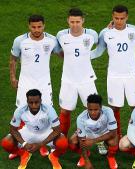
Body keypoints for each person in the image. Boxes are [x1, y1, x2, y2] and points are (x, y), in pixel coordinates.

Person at [91, 5, 135, 141]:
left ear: (127, 17)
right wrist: (80, 55)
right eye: (116, 18)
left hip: (132, 75)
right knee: (114, 108)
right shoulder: (105, 33)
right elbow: (98, 52)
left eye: (122, 18)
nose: (119, 21)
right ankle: (116, 136)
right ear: (112, 17)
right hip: (114, 76)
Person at [9, 14, 60, 159]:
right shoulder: (20, 40)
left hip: (44, 83)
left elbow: (63, 54)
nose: (36, 29)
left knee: (46, 112)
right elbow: (13, 59)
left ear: (44, 25)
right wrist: (13, 77)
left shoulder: (52, 40)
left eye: (39, 26)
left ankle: (43, 144)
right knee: (20, 111)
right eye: (33, 27)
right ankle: (20, 146)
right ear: (29, 26)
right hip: (25, 82)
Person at [56, 8, 98, 136]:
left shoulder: (91, 35)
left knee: (94, 110)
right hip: (68, 80)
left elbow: (100, 45)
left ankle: (97, 139)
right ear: (68, 21)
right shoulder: (61, 35)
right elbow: (58, 51)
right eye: (72, 21)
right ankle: (61, 139)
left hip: (87, 80)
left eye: (77, 22)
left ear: (83, 21)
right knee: (64, 111)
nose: (75, 25)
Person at [0, 89, 68, 169]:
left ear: (40, 100)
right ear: (27, 101)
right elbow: (13, 130)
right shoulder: (20, 110)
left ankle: (53, 156)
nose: (34, 105)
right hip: (28, 132)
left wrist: (40, 144)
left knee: (63, 143)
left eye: (36, 102)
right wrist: (24, 143)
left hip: (46, 133)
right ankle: (23, 154)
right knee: (6, 142)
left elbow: (57, 130)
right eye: (31, 103)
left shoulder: (49, 110)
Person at [69, 94, 118, 169]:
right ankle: (85, 155)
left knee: (113, 141)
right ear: (87, 108)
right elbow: (81, 140)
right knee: (72, 141)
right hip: (88, 133)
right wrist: (87, 161)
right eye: (90, 110)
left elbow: (113, 132)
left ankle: (110, 157)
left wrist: (93, 141)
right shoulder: (81, 118)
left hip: (104, 132)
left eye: (96, 110)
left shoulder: (108, 111)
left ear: (101, 107)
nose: (93, 112)